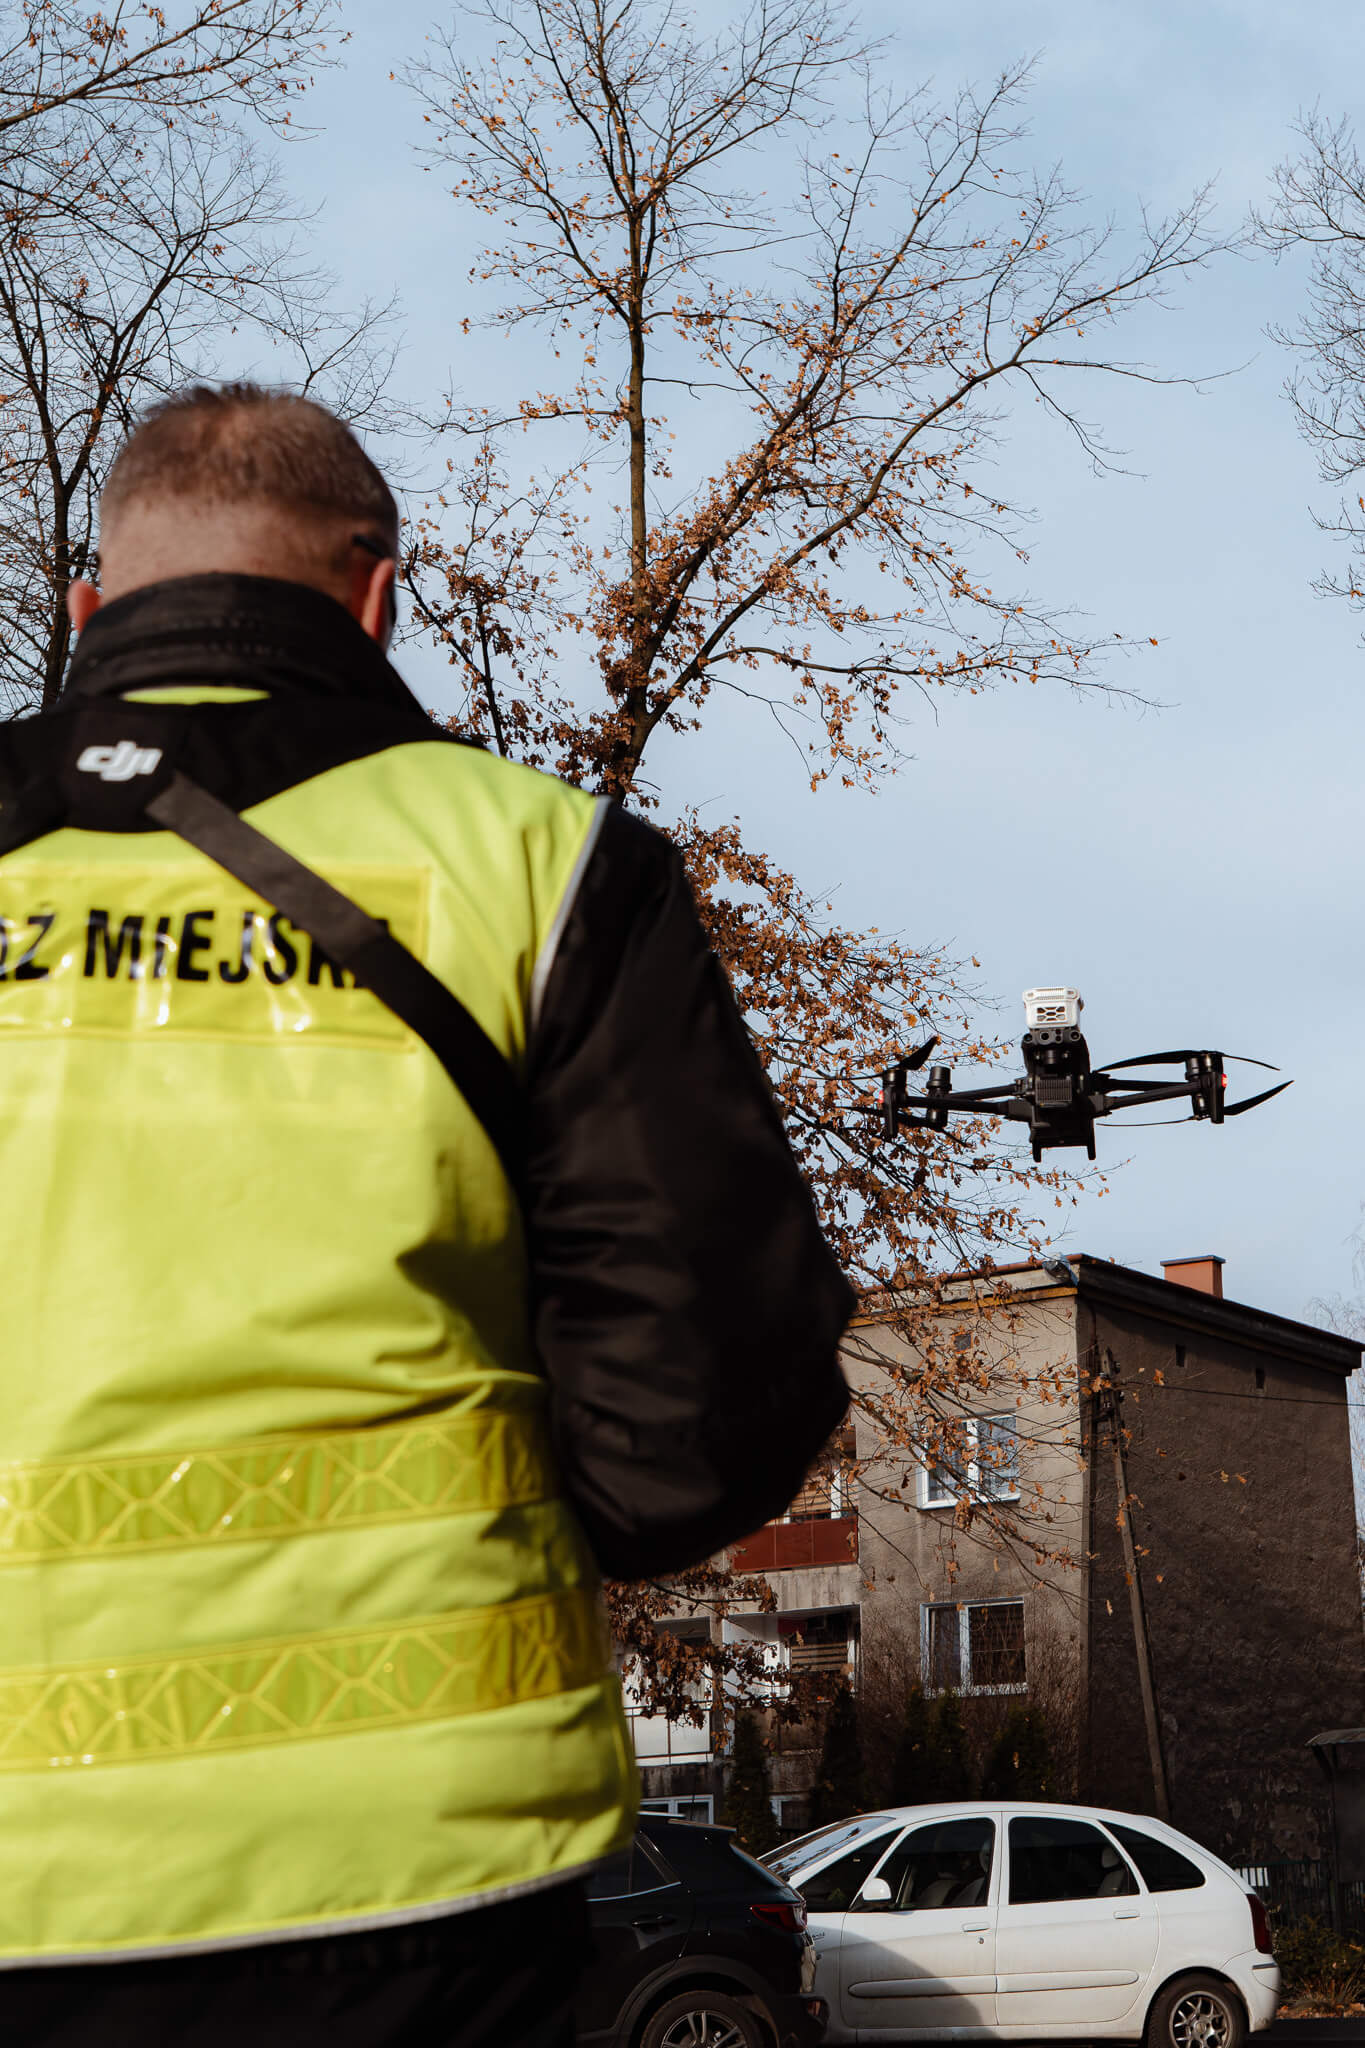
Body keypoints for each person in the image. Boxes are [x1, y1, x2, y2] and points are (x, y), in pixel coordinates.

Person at [0, 385, 853, 2047]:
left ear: (91, 606)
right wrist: (498, 1529)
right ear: (379, 592)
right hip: (411, 1860)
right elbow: (715, 1376)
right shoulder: (536, 865)